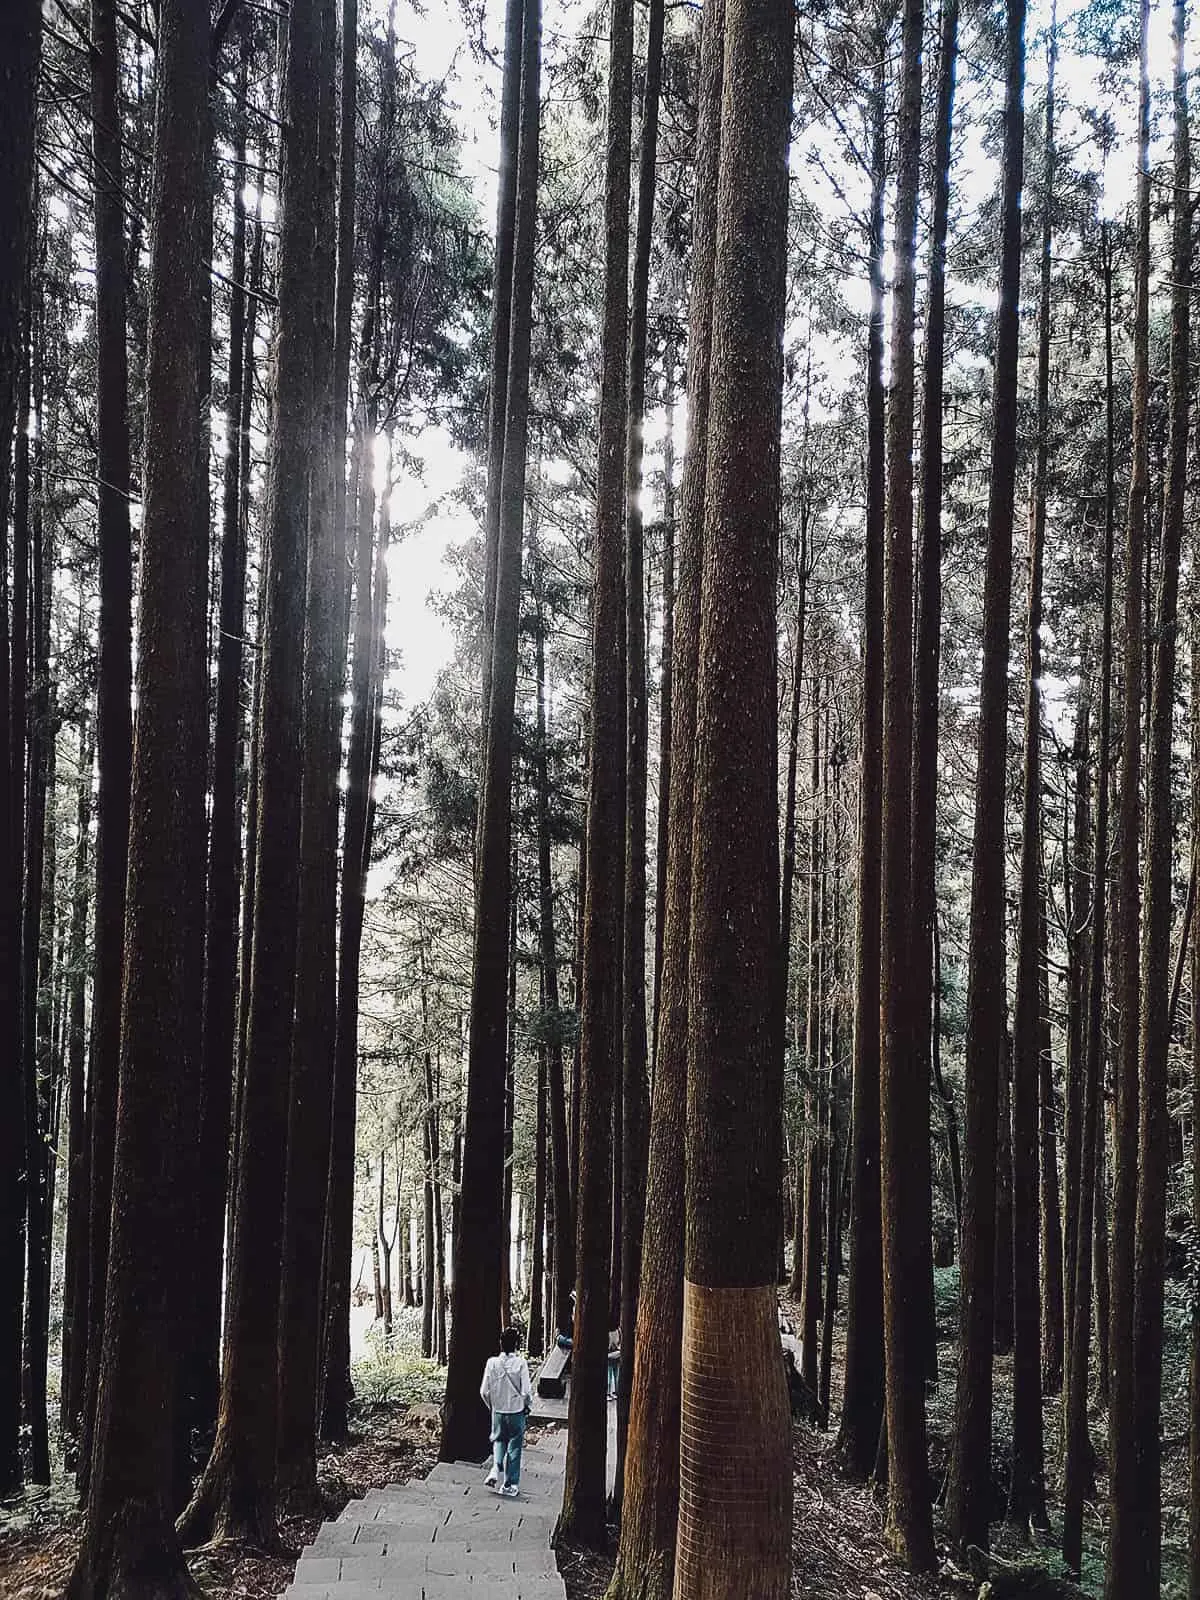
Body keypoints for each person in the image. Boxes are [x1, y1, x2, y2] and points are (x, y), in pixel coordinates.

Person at [480, 1327, 532, 1497]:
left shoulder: (491, 1362)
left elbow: (484, 1392)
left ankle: (496, 1468)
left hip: (498, 1410)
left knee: (499, 1441)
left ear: (500, 1344)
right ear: (517, 1344)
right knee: (514, 1447)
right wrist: (527, 1405)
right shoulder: (521, 1363)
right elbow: (526, 1392)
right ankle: (509, 1485)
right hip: (516, 1411)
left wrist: (492, 1407)